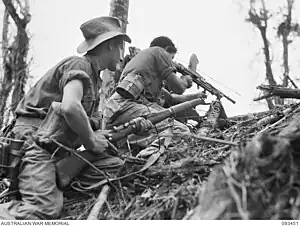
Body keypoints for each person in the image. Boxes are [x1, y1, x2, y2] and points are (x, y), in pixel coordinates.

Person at [0, 16, 131, 220]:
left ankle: (53, 183)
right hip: (36, 145)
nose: (122, 57)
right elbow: (70, 107)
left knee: (115, 166)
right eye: (120, 48)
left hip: (56, 150)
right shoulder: (79, 64)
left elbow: (77, 121)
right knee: (43, 210)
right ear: (110, 46)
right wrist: (92, 141)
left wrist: (99, 135)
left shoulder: (94, 80)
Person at [103, 36, 206, 156]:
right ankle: (145, 160)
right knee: (180, 131)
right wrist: (185, 81)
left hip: (114, 111)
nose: (171, 63)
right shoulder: (159, 51)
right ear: (166, 49)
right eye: (171, 58)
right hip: (126, 105)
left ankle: (141, 157)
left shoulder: (144, 70)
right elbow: (178, 88)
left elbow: (172, 98)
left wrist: (196, 97)